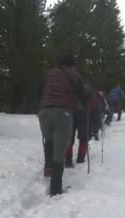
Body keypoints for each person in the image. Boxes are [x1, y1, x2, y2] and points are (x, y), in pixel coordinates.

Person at [38, 53, 90, 196]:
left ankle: (48, 168)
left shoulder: (48, 74)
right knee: (59, 150)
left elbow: (38, 91)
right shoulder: (74, 76)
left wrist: (44, 105)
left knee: (49, 139)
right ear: (70, 66)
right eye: (73, 66)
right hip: (63, 113)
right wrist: (83, 108)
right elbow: (85, 95)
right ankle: (55, 189)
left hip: (44, 112)